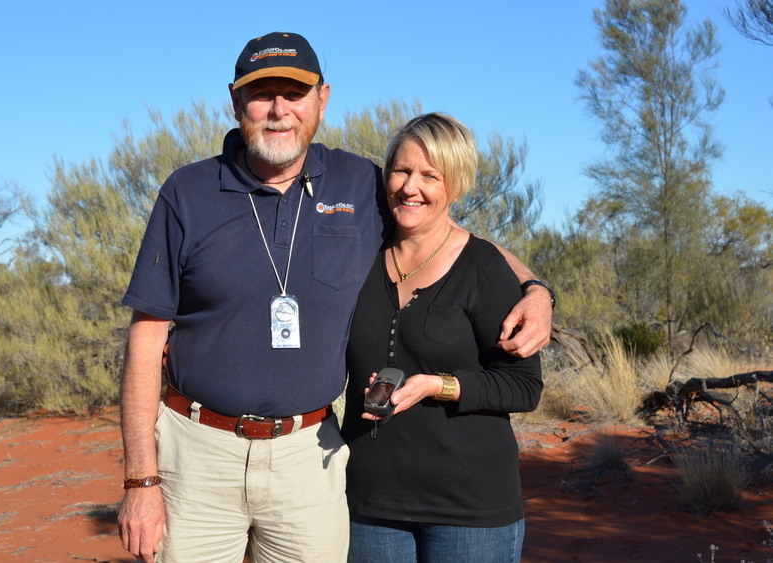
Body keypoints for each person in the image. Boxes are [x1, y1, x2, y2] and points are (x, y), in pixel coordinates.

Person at [117, 32, 552, 563]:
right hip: (198, 452)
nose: (279, 110)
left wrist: (535, 288)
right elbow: (145, 341)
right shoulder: (186, 193)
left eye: (295, 93)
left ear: (322, 99)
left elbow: (448, 233)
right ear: (235, 101)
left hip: (310, 459)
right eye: (262, 93)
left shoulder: (358, 184)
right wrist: (141, 481)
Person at [341, 113, 544, 563]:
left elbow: (524, 385)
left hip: (469, 511)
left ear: (455, 185)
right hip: (369, 504)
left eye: (430, 176)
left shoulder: (484, 268)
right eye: (401, 170)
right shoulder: (357, 257)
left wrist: (439, 385)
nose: (411, 187)